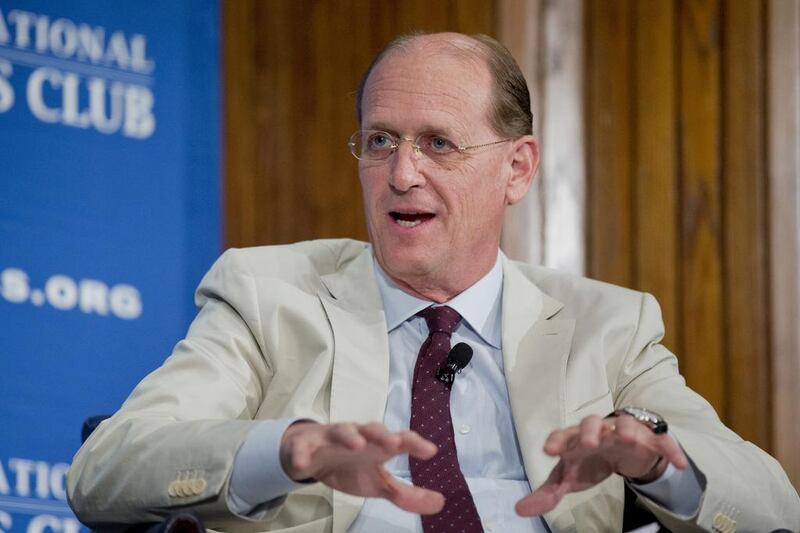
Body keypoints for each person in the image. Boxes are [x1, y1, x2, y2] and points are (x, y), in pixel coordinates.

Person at [67, 32, 800, 532]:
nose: (401, 172)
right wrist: (285, 448)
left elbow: (773, 505)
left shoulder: (606, 325)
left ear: (517, 168)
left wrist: (652, 460)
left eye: (438, 143)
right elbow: (106, 467)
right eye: (380, 140)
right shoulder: (268, 294)